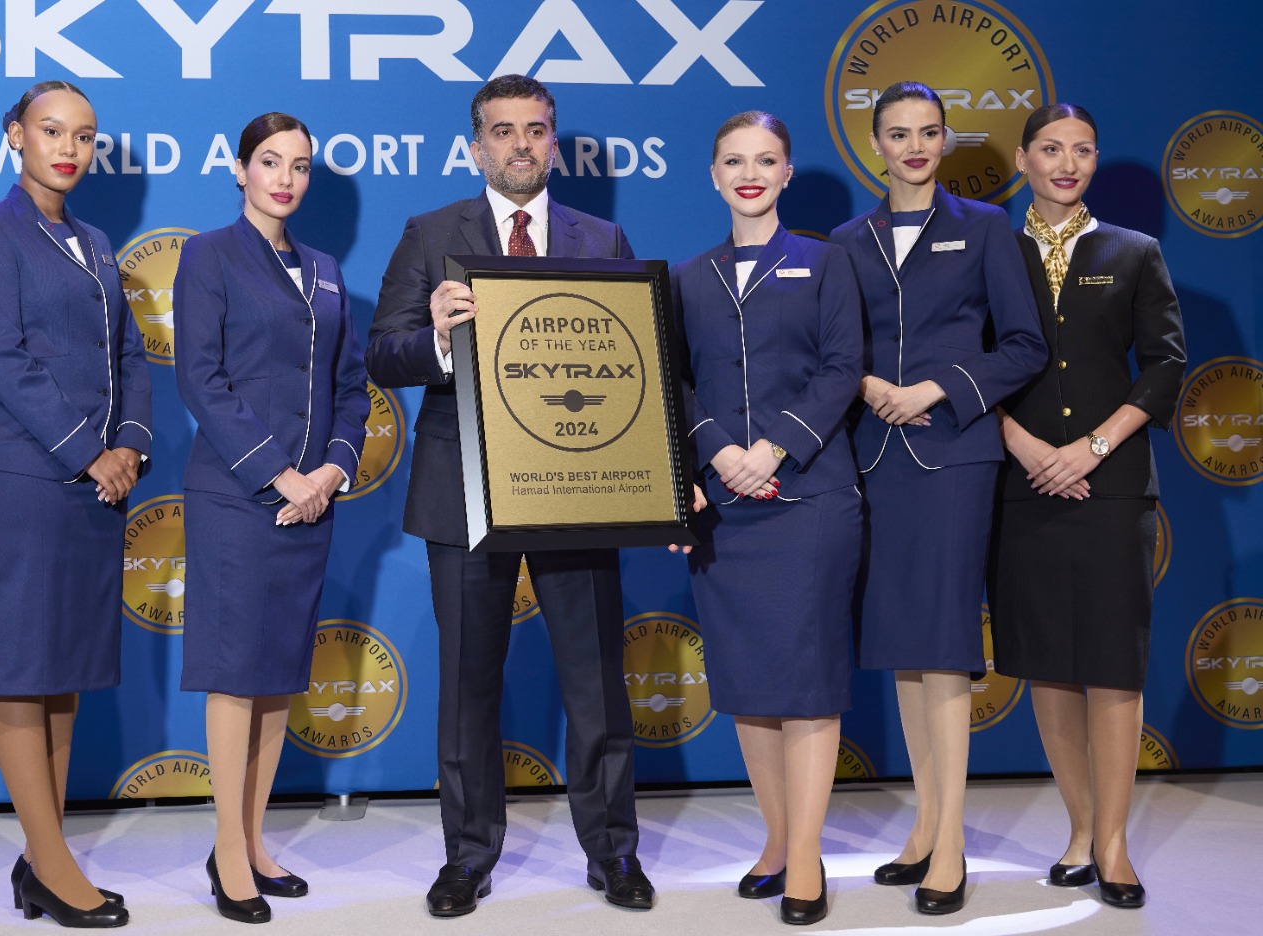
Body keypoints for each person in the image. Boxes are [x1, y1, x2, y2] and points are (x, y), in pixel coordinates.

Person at [366, 73, 653, 917]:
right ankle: (467, 857)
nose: (520, 144)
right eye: (503, 131)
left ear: (553, 143)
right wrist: (438, 338)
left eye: (535, 130)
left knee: (596, 683)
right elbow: (382, 354)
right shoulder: (429, 235)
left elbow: (636, 360)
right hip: (463, 487)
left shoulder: (601, 238)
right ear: (476, 146)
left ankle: (614, 851)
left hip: (578, 486)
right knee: (467, 686)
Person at [829, 81, 1046, 916]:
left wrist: (937, 388)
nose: (914, 147)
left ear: (946, 140)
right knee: (905, 648)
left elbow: (1023, 345)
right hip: (874, 458)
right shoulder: (847, 241)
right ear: (875, 144)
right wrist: (868, 386)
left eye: (928, 132)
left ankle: (950, 843)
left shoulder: (986, 228)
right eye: (898, 133)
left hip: (955, 454)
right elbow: (834, 347)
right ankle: (924, 827)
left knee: (945, 646)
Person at [0, 80, 149, 929]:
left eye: (84, 135)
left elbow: (130, 355)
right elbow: (4, 358)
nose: (69, 148)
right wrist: (88, 453)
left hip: (96, 484)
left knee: (64, 669)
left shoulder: (96, 242)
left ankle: (42, 860)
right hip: (23, 479)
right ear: (15, 136)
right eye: (52, 131)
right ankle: (54, 863)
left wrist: (130, 445)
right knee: (23, 667)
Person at [173, 111, 369, 925]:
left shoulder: (325, 269)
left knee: (279, 674)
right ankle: (227, 850)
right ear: (240, 169)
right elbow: (200, 378)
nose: (285, 178)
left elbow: (351, 387)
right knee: (235, 674)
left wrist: (329, 471)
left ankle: (254, 841)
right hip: (238, 495)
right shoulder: (208, 254)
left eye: (300, 165)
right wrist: (279, 474)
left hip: (311, 500)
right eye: (270, 162)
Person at [988, 104, 1185, 910]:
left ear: (1096, 160)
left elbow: (1165, 366)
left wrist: (1092, 448)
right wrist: (1026, 447)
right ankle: (1078, 831)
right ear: (1023, 159)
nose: (1066, 164)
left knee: (1110, 665)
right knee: (1050, 665)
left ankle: (1114, 843)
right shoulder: (993, 252)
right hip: (1025, 486)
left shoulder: (1134, 252)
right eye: (1050, 149)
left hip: (1112, 486)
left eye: (1082, 150)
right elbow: (972, 365)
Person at [670, 111, 863, 926]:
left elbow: (843, 367)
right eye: (734, 161)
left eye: (766, 160)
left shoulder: (827, 262)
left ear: (787, 173)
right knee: (749, 683)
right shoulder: (686, 279)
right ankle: (778, 841)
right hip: (726, 509)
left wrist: (774, 448)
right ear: (713, 175)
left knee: (808, 683)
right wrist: (718, 453)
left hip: (810, 498)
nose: (750, 174)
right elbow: (673, 382)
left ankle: (808, 859)